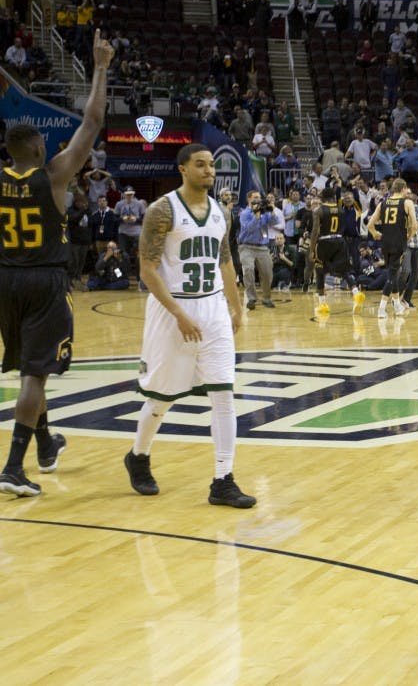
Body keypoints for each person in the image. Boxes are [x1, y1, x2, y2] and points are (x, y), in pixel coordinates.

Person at [0, 30, 113, 497]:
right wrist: (101, 66)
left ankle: (46, 445)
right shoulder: (56, 176)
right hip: (45, 280)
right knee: (35, 375)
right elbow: (92, 120)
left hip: (5, 279)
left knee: (30, 363)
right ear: (39, 150)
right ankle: (11, 468)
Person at [122, 143, 255, 508]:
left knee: (224, 393)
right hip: (172, 310)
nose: (209, 170)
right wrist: (179, 314)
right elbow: (148, 269)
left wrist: (237, 307)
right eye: (201, 165)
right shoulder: (162, 210)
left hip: (212, 309)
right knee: (162, 396)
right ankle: (138, 456)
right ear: (183, 169)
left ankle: (223, 480)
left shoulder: (220, 212)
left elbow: (225, 261)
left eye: (211, 165)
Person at [310, 186, 365, 316]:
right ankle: (356, 293)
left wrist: (312, 249)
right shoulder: (341, 210)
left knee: (319, 271)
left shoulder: (319, 211)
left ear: (322, 198)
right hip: (340, 241)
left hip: (324, 241)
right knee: (345, 270)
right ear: (334, 198)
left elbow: (315, 231)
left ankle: (323, 304)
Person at [367, 178, 418, 318]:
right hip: (398, 243)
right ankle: (382, 308)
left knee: (393, 273)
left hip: (385, 243)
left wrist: (376, 234)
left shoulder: (383, 203)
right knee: (391, 275)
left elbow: (369, 225)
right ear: (403, 189)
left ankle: (396, 305)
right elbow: (414, 226)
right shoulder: (407, 202)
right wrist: (408, 238)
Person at [237, 190, 281, 310]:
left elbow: (275, 222)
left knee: (267, 273)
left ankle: (266, 298)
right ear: (249, 199)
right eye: (255, 197)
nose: (258, 199)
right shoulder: (244, 213)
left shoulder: (264, 211)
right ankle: (251, 298)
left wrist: (272, 211)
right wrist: (256, 216)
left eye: (259, 197)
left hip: (262, 247)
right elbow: (249, 229)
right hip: (246, 247)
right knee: (248, 270)